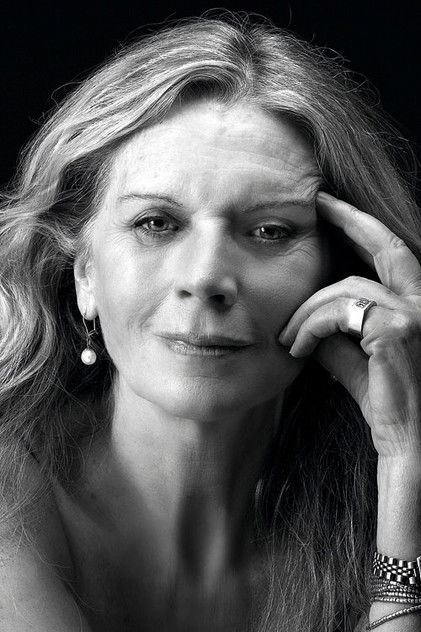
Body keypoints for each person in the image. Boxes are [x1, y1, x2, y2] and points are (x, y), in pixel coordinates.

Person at [0, 11, 420, 632]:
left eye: (270, 231)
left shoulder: (375, 497)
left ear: (343, 274)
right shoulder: (10, 498)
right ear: (85, 274)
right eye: (156, 223)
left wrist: (406, 457)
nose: (205, 276)